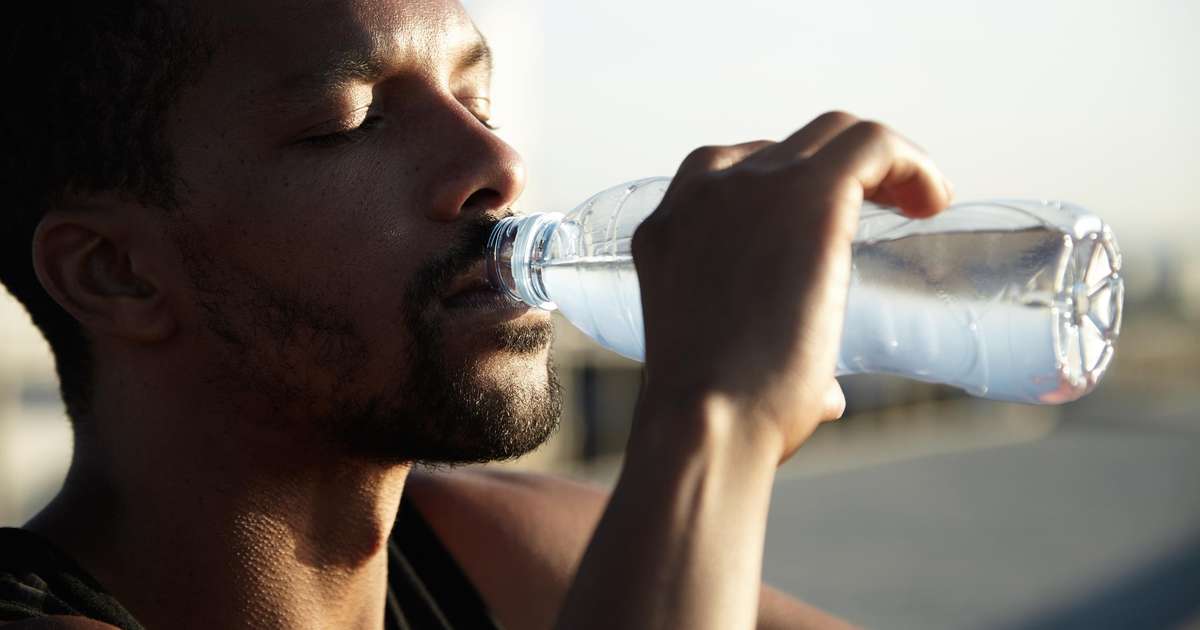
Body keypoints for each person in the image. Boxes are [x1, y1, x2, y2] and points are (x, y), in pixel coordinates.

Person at [0, 0, 953, 628]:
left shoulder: (500, 548)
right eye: (354, 119)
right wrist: (716, 418)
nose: (498, 164)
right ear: (115, 272)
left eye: (475, 95)